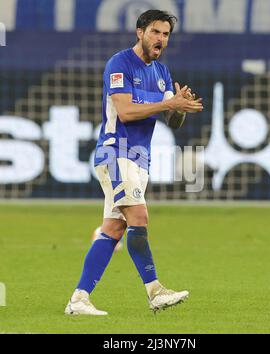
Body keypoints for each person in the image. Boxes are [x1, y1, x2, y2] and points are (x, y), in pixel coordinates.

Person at [65, 9, 203, 316]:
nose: (161, 39)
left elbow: (173, 121)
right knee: (139, 216)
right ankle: (155, 291)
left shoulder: (162, 73)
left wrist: (179, 106)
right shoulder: (120, 63)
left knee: (114, 228)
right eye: (155, 32)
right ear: (139, 32)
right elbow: (125, 112)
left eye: (166, 34)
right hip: (116, 152)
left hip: (140, 159)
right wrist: (169, 102)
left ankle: (79, 299)